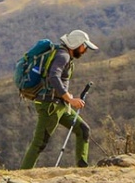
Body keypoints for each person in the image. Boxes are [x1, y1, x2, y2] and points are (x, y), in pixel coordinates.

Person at [21, 29, 98, 169]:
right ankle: (20, 178)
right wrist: (69, 98)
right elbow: (53, 76)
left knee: (83, 130)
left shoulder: (63, 54)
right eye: (84, 47)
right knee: (39, 142)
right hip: (50, 105)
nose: (85, 50)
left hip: (59, 105)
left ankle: (82, 168)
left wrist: (67, 99)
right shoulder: (63, 56)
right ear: (76, 44)